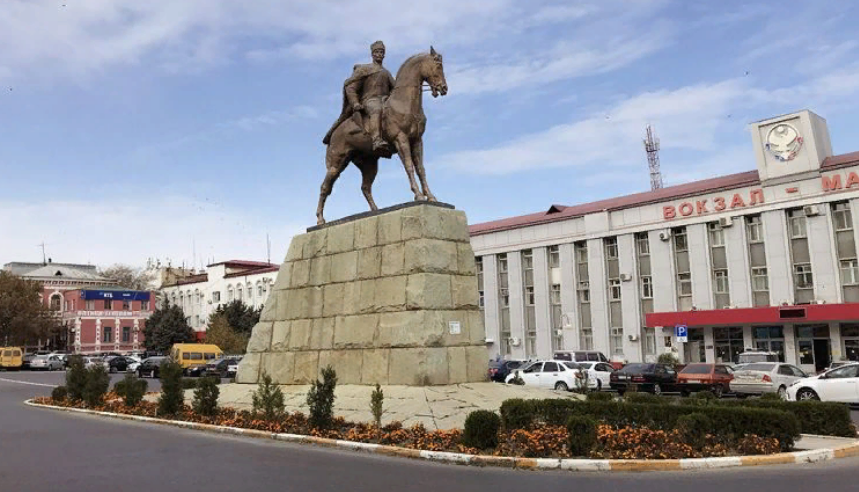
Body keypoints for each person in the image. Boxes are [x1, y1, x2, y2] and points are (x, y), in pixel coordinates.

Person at [323, 40, 395, 152]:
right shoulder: (364, 69)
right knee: (376, 109)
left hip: (385, 101)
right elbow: (351, 88)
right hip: (369, 101)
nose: (379, 54)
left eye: (381, 52)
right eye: (377, 52)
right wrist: (355, 103)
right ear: (372, 54)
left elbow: (395, 89)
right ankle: (376, 140)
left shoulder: (386, 73)